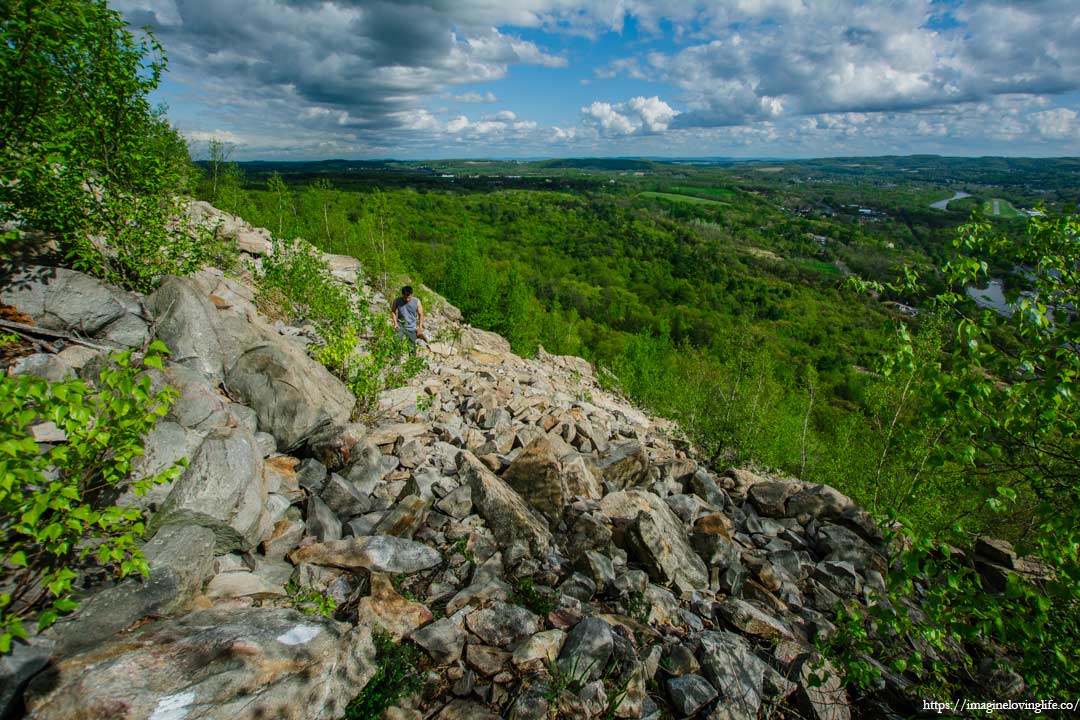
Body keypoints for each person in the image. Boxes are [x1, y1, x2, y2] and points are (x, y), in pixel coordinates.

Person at [391, 285, 423, 353]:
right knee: (396, 342)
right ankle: (396, 361)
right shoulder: (397, 300)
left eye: (409, 297)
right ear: (402, 294)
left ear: (412, 294)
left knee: (412, 347)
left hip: (412, 326)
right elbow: (393, 311)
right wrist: (395, 323)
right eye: (405, 297)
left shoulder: (417, 301)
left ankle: (412, 362)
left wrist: (420, 327)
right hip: (400, 325)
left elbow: (421, 314)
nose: (407, 299)